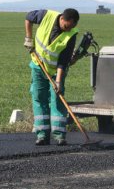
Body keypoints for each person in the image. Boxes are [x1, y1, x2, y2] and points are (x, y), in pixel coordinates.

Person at [24, 8, 79, 146]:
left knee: (57, 99)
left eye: (71, 27)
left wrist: (58, 81)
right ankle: (42, 134)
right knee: (39, 97)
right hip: (38, 65)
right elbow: (28, 17)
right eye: (66, 26)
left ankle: (59, 135)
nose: (68, 29)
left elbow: (63, 61)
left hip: (56, 71)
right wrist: (28, 38)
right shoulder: (45, 16)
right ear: (62, 19)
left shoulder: (71, 35)